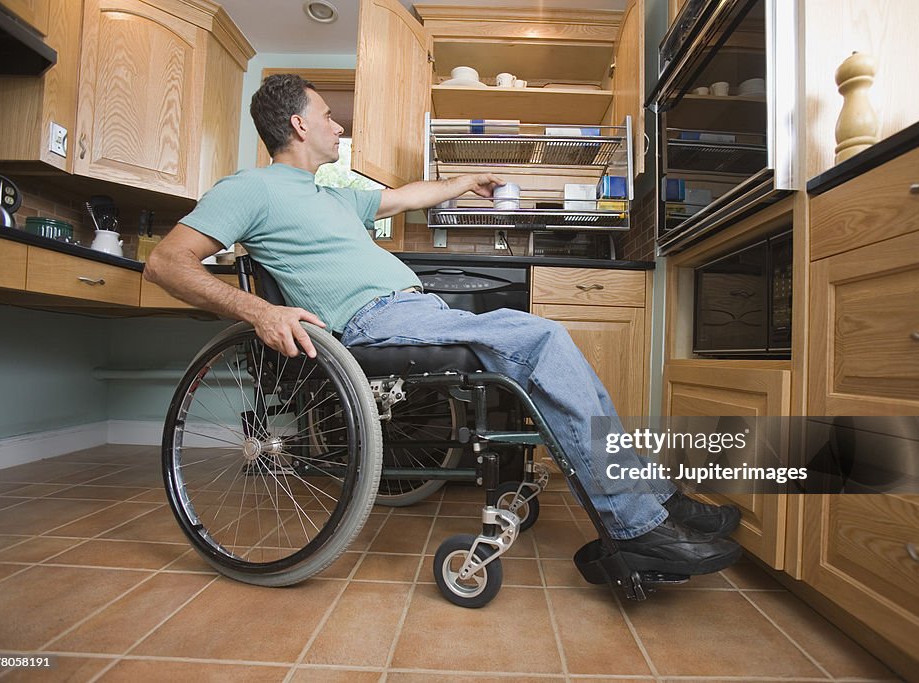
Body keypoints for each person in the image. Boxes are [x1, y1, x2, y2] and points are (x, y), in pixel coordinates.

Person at [145, 73, 742, 577]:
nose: (339, 127)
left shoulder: (326, 194)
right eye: (329, 116)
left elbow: (402, 199)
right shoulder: (251, 188)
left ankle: (659, 503)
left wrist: (459, 183)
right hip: (371, 325)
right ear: (298, 125)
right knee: (541, 339)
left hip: (417, 311)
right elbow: (166, 262)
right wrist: (261, 310)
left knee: (539, 340)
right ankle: (636, 528)